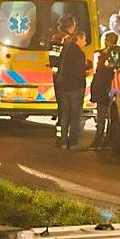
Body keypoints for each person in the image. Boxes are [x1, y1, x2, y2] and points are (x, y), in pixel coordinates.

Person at [56, 31, 91, 149]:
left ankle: (63, 142)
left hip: (64, 87)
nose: (85, 42)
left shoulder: (65, 50)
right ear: (78, 39)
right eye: (84, 39)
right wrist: (86, 74)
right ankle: (73, 142)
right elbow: (79, 72)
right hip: (75, 88)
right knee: (75, 116)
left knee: (65, 115)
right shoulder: (79, 54)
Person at [88, 31, 118, 149]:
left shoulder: (105, 57)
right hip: (110, 90)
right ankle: (107, 140)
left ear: (108, 41)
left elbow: (100, 76)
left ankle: (98, 141)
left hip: (103, 91)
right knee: (110, 118)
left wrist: (95, 92)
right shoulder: (116, 56)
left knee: (101, 118)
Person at [48, 15, 73, 144]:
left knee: (61, 106)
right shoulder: (68, 39)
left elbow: (52, 57)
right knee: (65, 107)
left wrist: (56, 70)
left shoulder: (56, 38)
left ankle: (60, 135)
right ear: (71, 27)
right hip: (65, 77)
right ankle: (63, 136)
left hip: (57, 76)